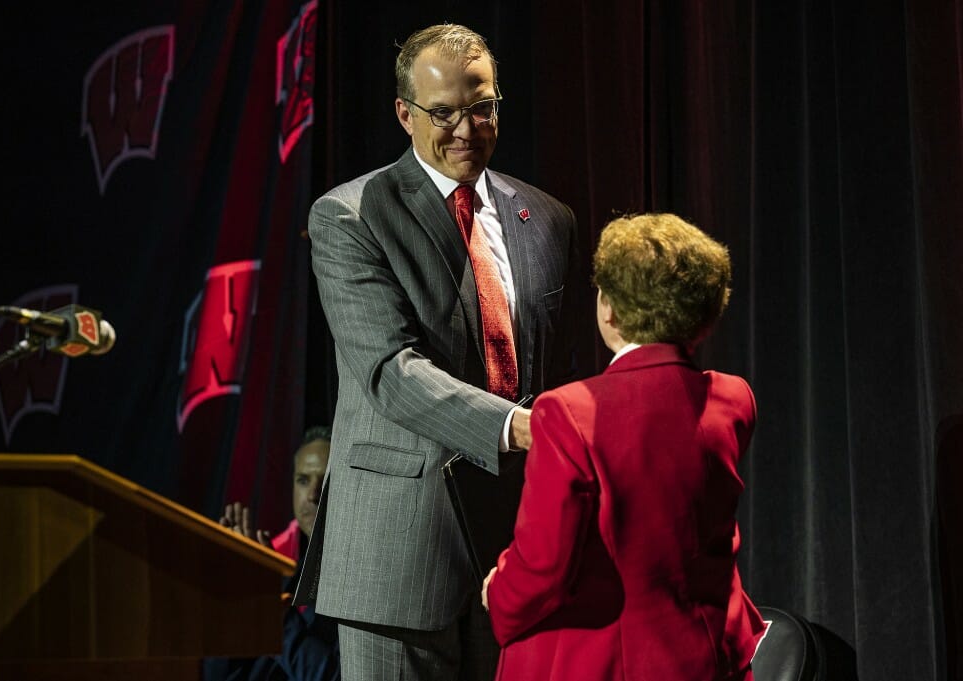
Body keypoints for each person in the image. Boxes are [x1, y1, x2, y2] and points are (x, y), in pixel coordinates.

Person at [296, 23, 580, 681]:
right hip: (397, 554)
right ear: (404, 114)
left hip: (517, 554)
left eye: (481, 108)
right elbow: (390, 373)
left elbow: (558, 373)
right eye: (443, 113)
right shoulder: (350, 215)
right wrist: (516, 427)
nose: (465, 129)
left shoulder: (549, 219)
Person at [482, 213, 766, 680]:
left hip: (608, 663)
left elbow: (545, 564)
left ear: (609, 308)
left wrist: (501, 596)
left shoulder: (570, 412)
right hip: (710, 657)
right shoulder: (733, 399)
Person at [209, 426, 340, 681]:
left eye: (325, 481)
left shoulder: (359, 582)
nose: (312, 495)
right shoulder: (294, 574)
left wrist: (269, 600)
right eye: (303, 480)